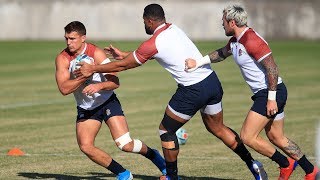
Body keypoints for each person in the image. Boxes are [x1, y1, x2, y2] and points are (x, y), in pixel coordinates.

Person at [74, 4, 268, 180]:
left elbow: (126, 66)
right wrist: (125, 55)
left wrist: (92, 69)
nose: (144, 25)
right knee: (218, 128)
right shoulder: (173, 29)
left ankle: (172, 177)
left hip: (193, 90)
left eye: (144, 22)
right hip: (212, 83)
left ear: (149, 21)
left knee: (166, 130)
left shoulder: (153, 42)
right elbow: (150, 54)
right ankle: (253, 164)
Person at [185, 4, 319, 180]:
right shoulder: (235, 41)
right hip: (271, 92)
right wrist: (198, 62)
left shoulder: (251, 40)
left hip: (271, 92)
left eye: (223, 21)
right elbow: (222, 53)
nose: (222, 24)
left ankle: (285, 164)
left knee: (248, 137)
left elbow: (272, 68)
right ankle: (311, 171)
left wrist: (271, 99)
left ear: (232, 22)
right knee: (277, 137)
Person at [55, 21, 166, 180]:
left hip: (107, 102)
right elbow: (64, 89)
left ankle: (155, 156)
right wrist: (84, 76)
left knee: (125, 145)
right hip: (86, 108)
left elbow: (115, 82)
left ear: (83, 38)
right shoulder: (63, 58)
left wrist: (99, 85)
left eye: (72, 38)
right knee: (86, 146)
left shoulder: (96, 53)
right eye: (66, 38)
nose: (68, 42)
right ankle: (123, 174)